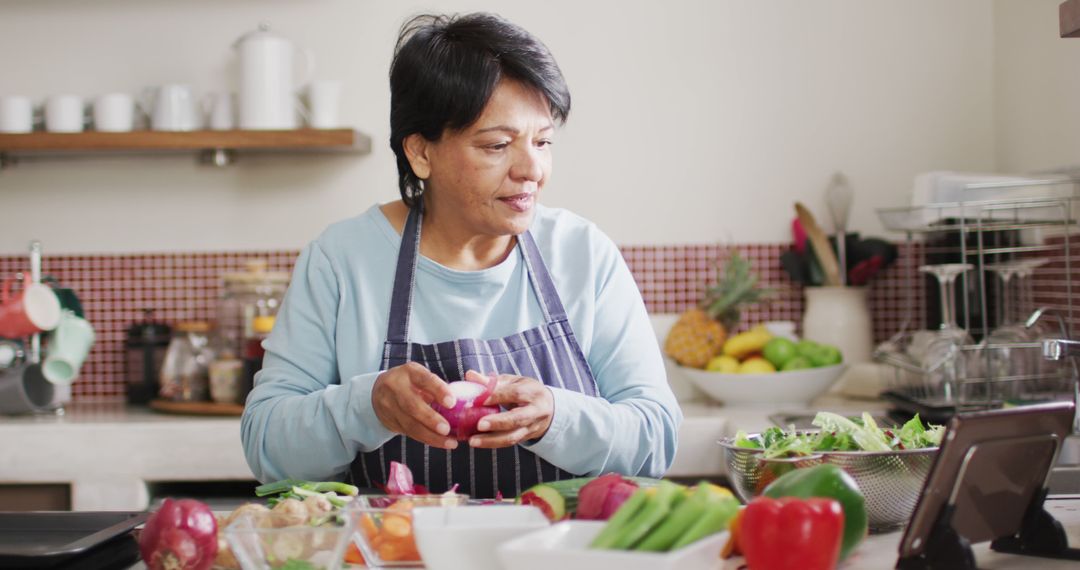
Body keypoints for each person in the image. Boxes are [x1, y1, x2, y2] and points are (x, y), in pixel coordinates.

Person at [241, 12, 682, 498]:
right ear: (420, 153)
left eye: (542, 141)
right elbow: (267, 448)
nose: (532, 169)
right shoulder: (341, 260)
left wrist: (557, 416)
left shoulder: (583, 254)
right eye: (497, 145)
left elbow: (656, 438)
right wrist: (367, 406)